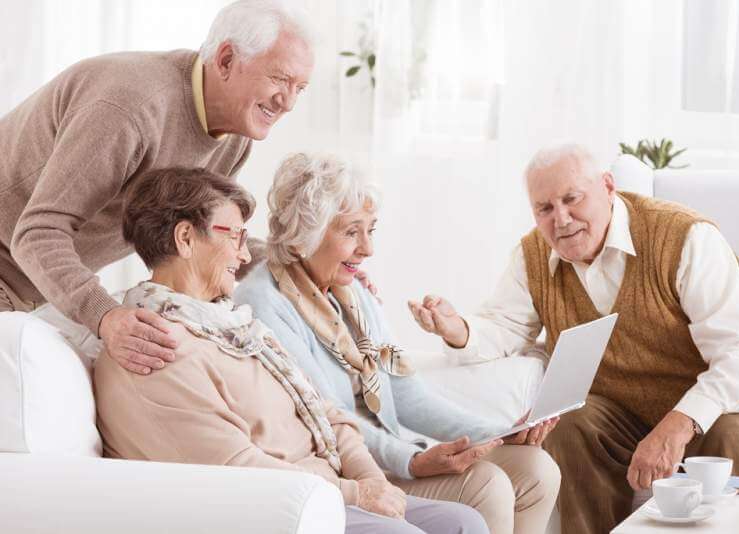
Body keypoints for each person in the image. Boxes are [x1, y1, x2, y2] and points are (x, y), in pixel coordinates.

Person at [407, 144, 739, 534]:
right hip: (621, 414)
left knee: (731, 430)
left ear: (608, 187)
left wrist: (679, 423)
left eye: (572, 199)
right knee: (571, 426)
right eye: (545, 209)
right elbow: (503, 327)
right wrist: (456, 329)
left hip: (722, 407)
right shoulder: (532, 256)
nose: (562, 219)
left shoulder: (685, 238)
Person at [93, 167, 487, 534]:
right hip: (273, 508)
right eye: (235, 237)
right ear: (185, 238)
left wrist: (369, 479)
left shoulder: (234, 326)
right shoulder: (151, 347)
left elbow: (326, 412)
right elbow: (236, 468)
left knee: (463, 523)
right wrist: (356, 492)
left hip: (325, 486)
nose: (245, 256)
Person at [234, 153, 562, 534]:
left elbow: (407, 395)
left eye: (371, 230)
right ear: (304, 233)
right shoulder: (265, 303)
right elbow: (324, 419)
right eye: (351, 232)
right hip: (348, 469)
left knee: (538, 471)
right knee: (488, 486)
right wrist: (412, 461)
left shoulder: (353, 293)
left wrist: (499, 431)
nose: (367, 250)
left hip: (393, 453)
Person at [0, 0, 313, 376]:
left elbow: (203, 237)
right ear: (226, 60)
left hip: (36, 286)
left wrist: (299, 264)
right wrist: (106, 316)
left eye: (300, 87)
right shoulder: (128, 109)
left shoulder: (233, 134)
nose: (290, 102)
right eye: (280, 79)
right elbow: (37, 234)